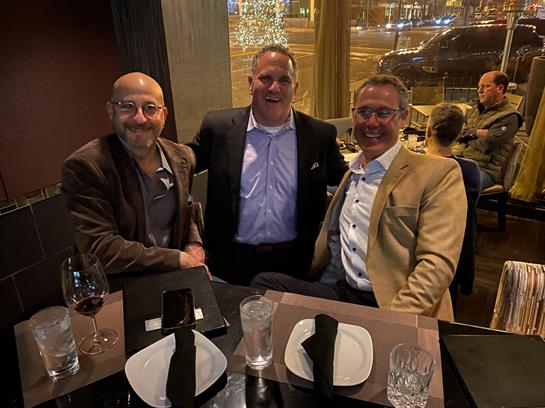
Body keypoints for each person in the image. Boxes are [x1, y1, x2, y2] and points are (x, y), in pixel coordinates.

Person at [251, 74, 467, 320]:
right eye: (364, 112)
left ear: (403, 117)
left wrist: (392, 320)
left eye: (383, 113)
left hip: (393, 302)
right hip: (343, 292)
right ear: (354, 117)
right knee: (264, 285)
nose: (371, 123)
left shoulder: (437, 172)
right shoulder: (352, 174)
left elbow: (436, 265)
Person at [188, 44, 347, 285]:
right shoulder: (218, 127)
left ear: (295, 88)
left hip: (294, 264)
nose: (274, 88)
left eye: (284, 80)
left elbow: (348, 182)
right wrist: (190, 237)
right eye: (266, 78)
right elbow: (180, 168)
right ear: (250, 83)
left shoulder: (319, 135)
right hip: (230, 261)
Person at [62, 72, 206, 277]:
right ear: (111, 111)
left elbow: (186, 212)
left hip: (173, 276)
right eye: (127, 106)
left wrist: (194, 243)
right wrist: (177, 259)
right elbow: (101, 248)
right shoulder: (85, 167)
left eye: (150, 108)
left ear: (163, 115)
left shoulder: (184, 157)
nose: (139, 118)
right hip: (121, 283)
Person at [426, 103, 481, 308]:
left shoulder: (415, 169)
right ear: (458, 136)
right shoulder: (469, 170)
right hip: (456, 252)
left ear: (428, 131)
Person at [453, 71, 523, 190]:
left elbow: (488, 143)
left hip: (483, 169)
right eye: (479, 87)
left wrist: (468, 134)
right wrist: (477, 133)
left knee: (457, 187)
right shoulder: (475, 110)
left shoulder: (510, 116)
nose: (479, 91)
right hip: (459, 160)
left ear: (500, 88)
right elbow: (457, 133)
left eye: (485, 86)